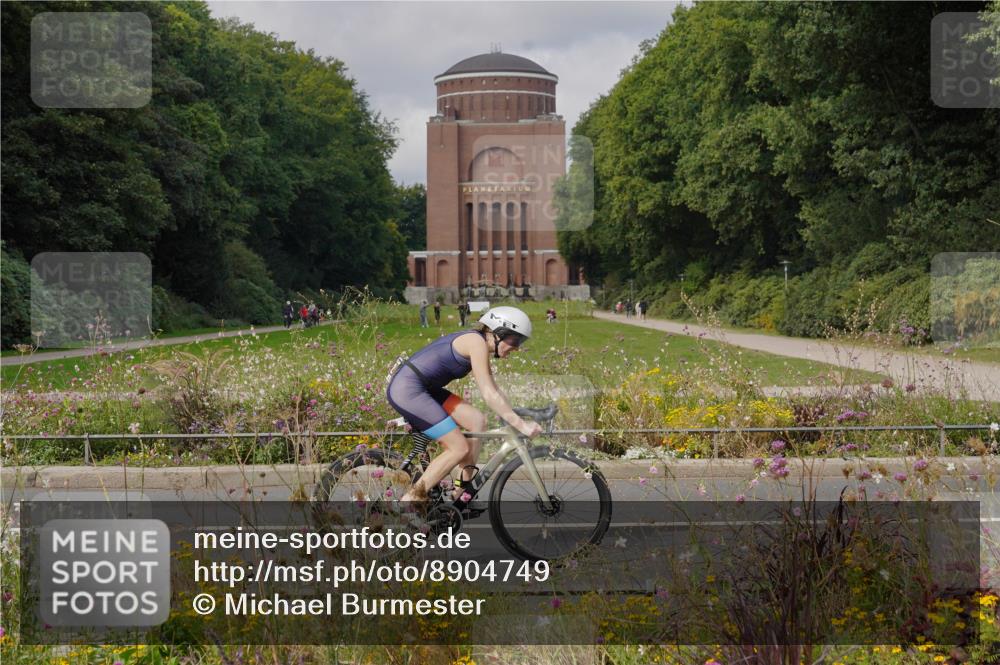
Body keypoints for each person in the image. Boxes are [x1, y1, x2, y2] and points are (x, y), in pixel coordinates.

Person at [387, 306, 542, 506]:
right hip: (408, 390)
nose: (517, 347)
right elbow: (488, 393)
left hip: (425, 388)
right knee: (458, 448)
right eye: (515, 340)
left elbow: (494, 390)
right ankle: (409, 501)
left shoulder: (478, 343)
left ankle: (463, 491)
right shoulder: (475, 343)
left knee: (477, 420)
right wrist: (522, 426)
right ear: (498, 333)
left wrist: (514, 414)